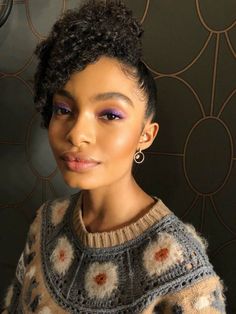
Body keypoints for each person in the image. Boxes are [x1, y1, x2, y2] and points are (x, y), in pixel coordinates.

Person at [2, 1, 226, 313]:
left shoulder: (182, 274)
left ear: (145, 136)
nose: (77, 133)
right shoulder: (45, 225)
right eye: (64, 110)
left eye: (109, 114)